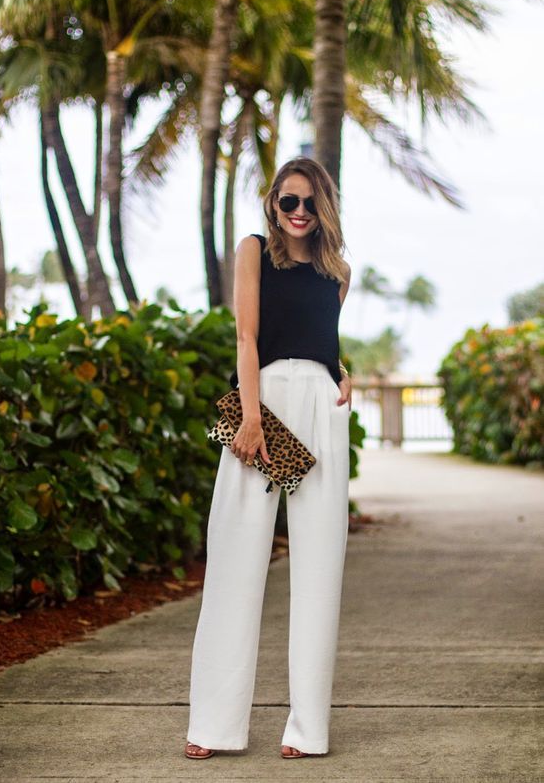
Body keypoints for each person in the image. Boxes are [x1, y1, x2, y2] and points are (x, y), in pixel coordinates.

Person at [185, 156, 352, 760]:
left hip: (322, 411)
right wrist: (251, 416)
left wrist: (344, 375)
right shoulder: (254, 248)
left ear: (324, 206)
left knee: (319, 569)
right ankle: (212, 726)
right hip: (263, 405)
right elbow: (249, 337)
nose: (299, 213)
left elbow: (320, 340)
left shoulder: (339, 271)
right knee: (234, 556)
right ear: (273, 203)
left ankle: (308, 731)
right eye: (289, 202)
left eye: (310, 203)